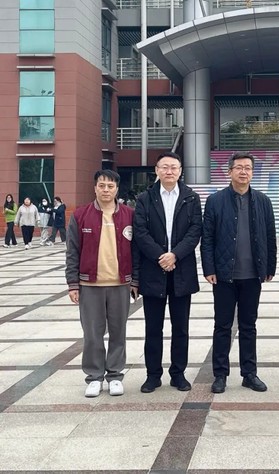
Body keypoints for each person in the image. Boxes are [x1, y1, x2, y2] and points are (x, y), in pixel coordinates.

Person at [201, 151, 276, 394]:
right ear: (229, 171)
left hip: (252, 275)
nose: (244, 172)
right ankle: (220, 374)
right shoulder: (215, 201)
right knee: (222, 326)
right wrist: (209, 268)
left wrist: (270, 267)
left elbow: (270, 236)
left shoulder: (263, 201)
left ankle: (249, 373)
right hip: (224, 275)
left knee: (248, 326)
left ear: (252, 173)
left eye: (248, 168)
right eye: (239, 167)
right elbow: (207, 238)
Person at [134, 152, 202, 393]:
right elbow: (140, 232)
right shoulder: (145, 198)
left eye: (174, 167)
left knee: (180, 327)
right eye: (164, 167)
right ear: (157, 170)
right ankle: (153, 375)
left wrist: (175, 255)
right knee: (153, 328)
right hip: (154, 271)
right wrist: (161, 256)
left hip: (182, 270)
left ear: (181, 170)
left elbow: (195, 231)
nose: (169, 171)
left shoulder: (191, 197)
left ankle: (178, 374)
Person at [65, 170, 137, 397]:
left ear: (117, 189)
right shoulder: (80, 215)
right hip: (90, 285)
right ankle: (94, 377)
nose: (106, 190)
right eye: (102, 185)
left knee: (118, 332)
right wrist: (73, 284)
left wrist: (135, 280)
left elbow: (137, 250)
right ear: (95, 188)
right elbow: (72, 251)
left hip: (120, 284)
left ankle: (115, 375)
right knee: (92, 334)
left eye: (110, 186)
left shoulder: (129, 215)